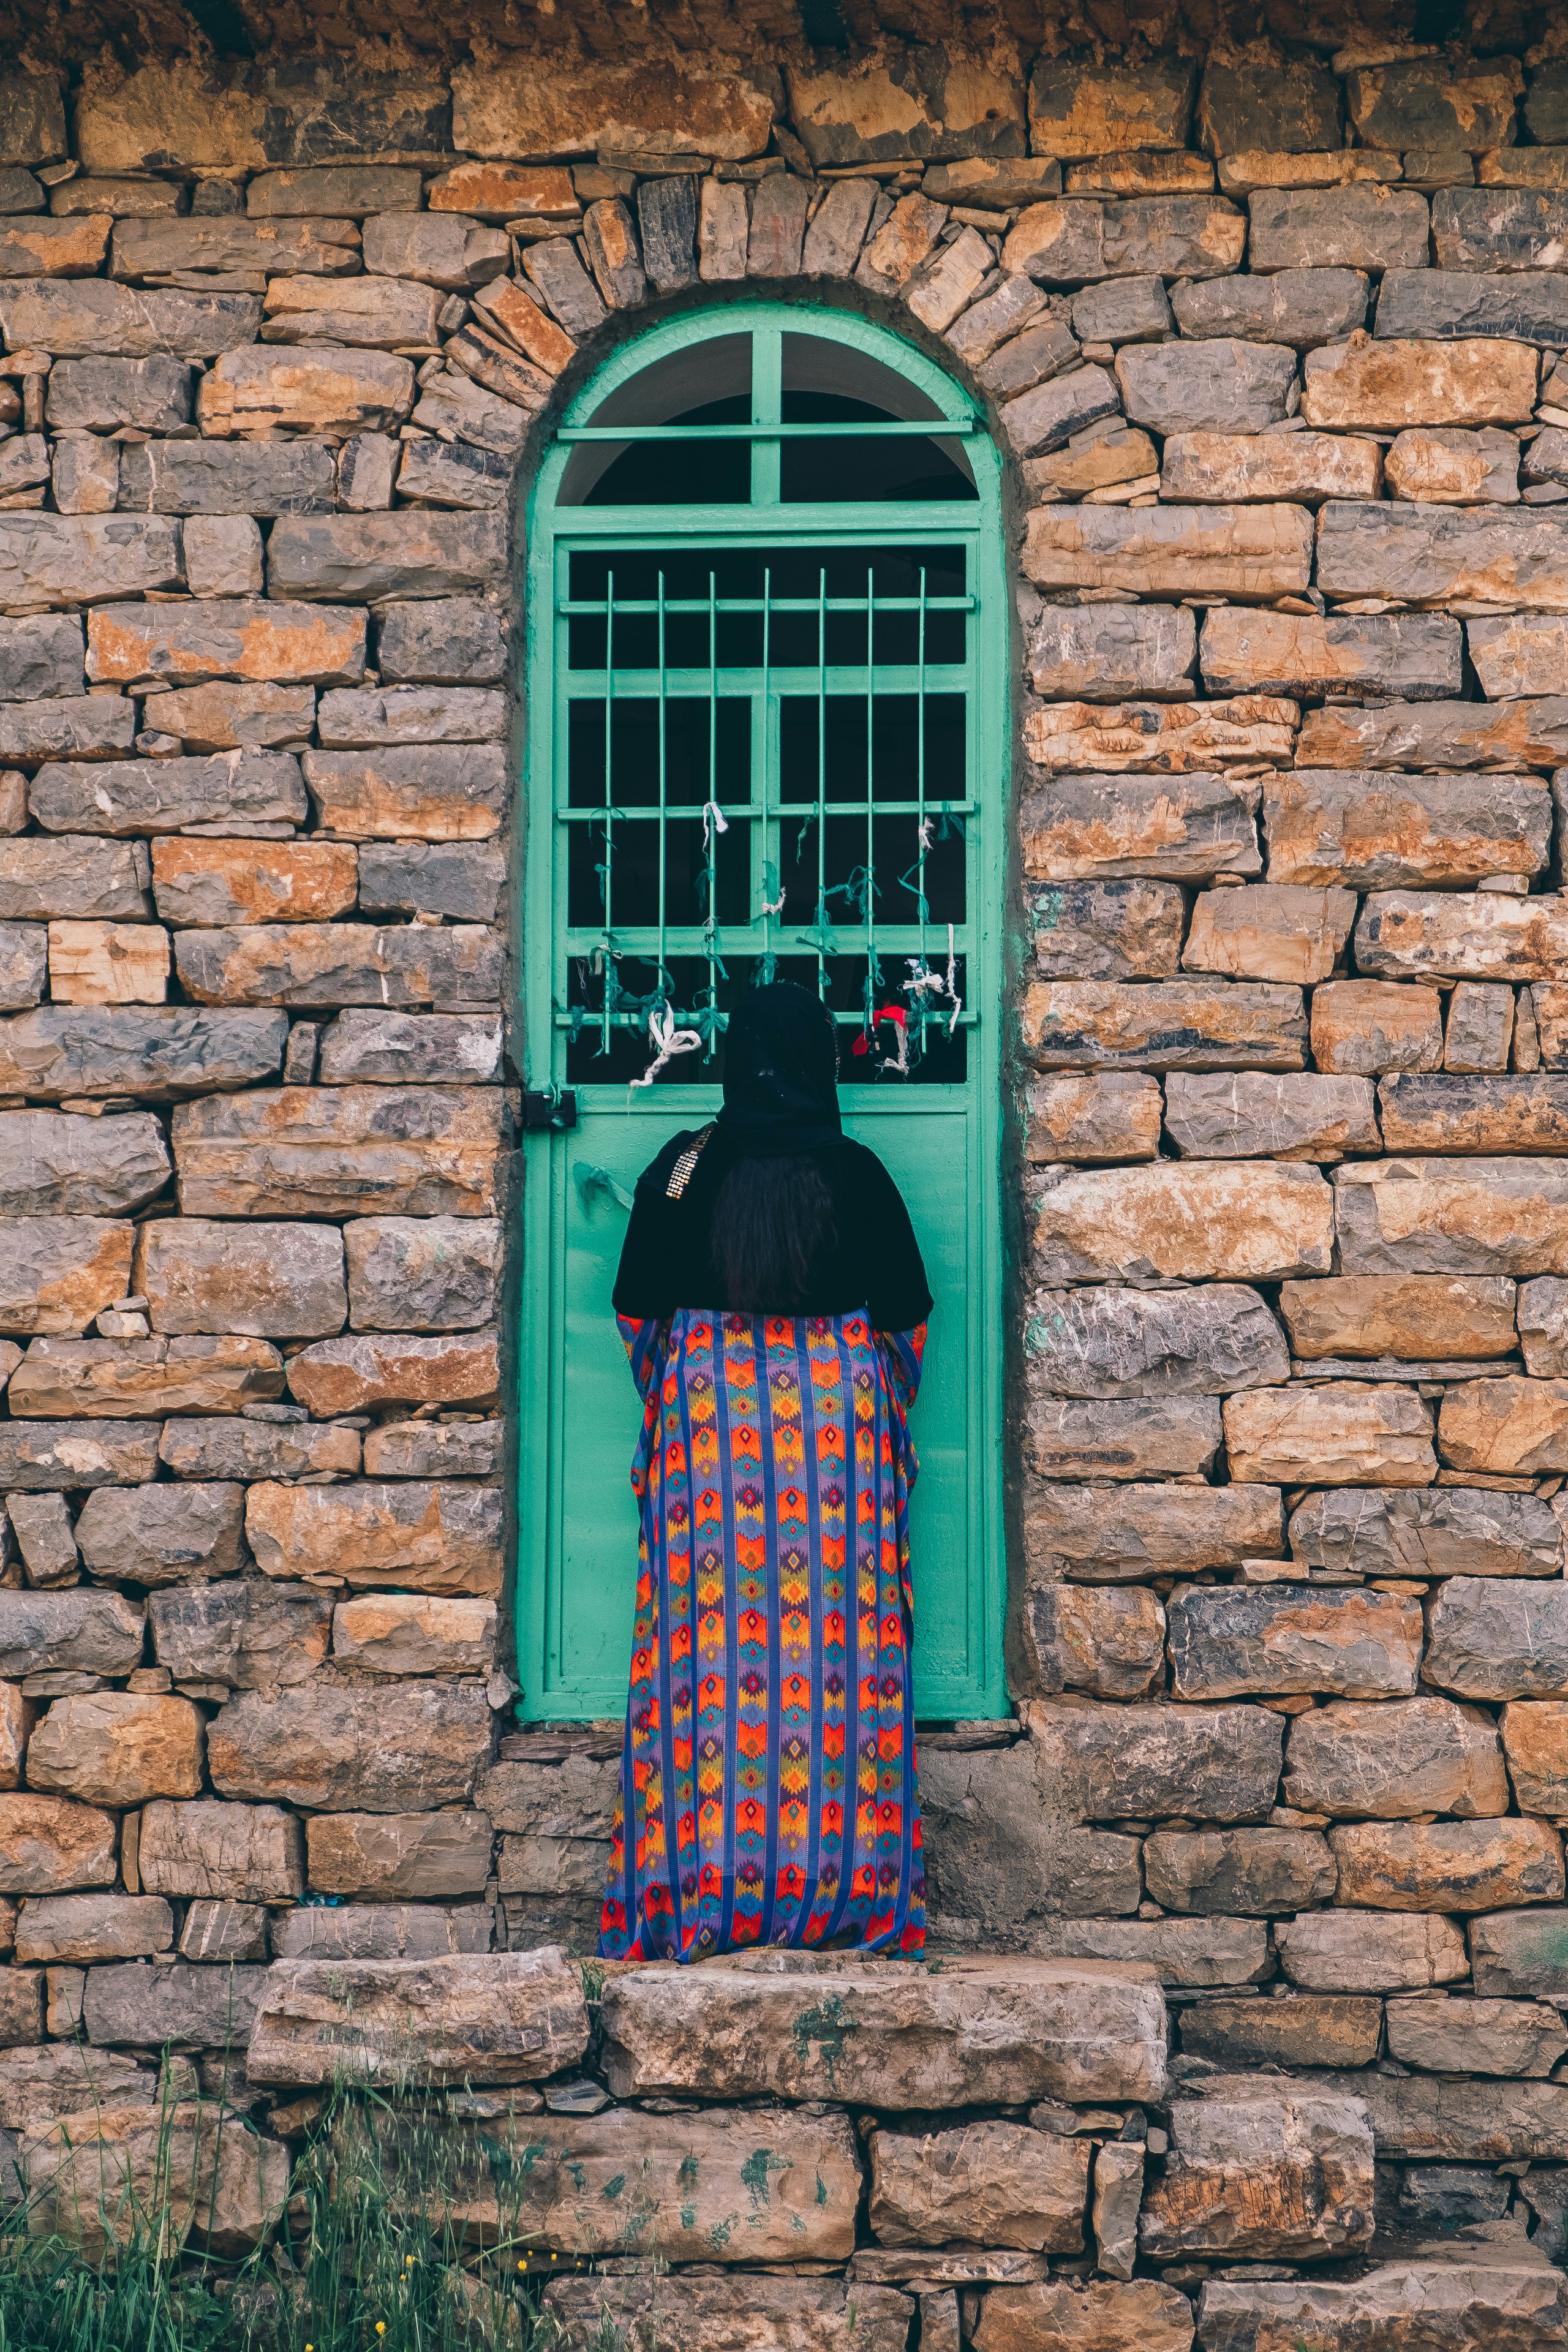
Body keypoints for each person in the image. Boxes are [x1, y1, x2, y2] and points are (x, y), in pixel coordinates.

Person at [599, 979, 934, 1962]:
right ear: (823, 1065)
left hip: (709, 1460)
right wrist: (850, 1395)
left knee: (702, 1662)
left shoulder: (683, 1165)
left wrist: (701, 1390)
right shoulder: (857, 1171)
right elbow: (906, 1320)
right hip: (838, 1467)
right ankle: (843, 1891)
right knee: (841, 1658)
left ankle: (696, 1895)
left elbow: (635, 1313)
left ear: (732, 1058)